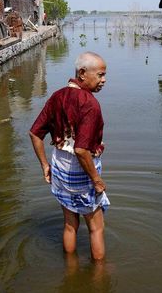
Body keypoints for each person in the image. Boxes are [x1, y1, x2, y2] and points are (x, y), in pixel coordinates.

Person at [29, 51, 109, 260]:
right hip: (81, 171)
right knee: (96, 228)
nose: (104, 80)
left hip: (60, 167)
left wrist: (45, 165)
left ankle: (71, 271)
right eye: (100, 75)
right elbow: (81, 150)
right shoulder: (89, 103)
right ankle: (100, 277)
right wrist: (97, 180)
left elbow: (35, 133)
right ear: (82, 73)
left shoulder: (58, 96)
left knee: (70, 224)